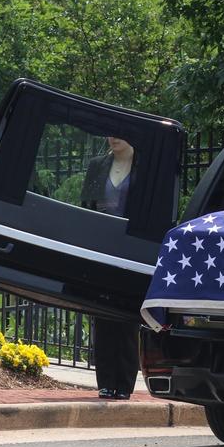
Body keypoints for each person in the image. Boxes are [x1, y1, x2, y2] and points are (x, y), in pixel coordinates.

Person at [81, 137, 140, 400]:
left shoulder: (144, 167)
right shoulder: (97, 165)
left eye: (120, 134)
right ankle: (105, 381)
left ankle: (125, 384)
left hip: (132, 249)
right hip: (101, 247)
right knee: (102, 314)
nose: (113, 138)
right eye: (110, 134)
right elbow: (86, 205)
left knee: (127, 316)